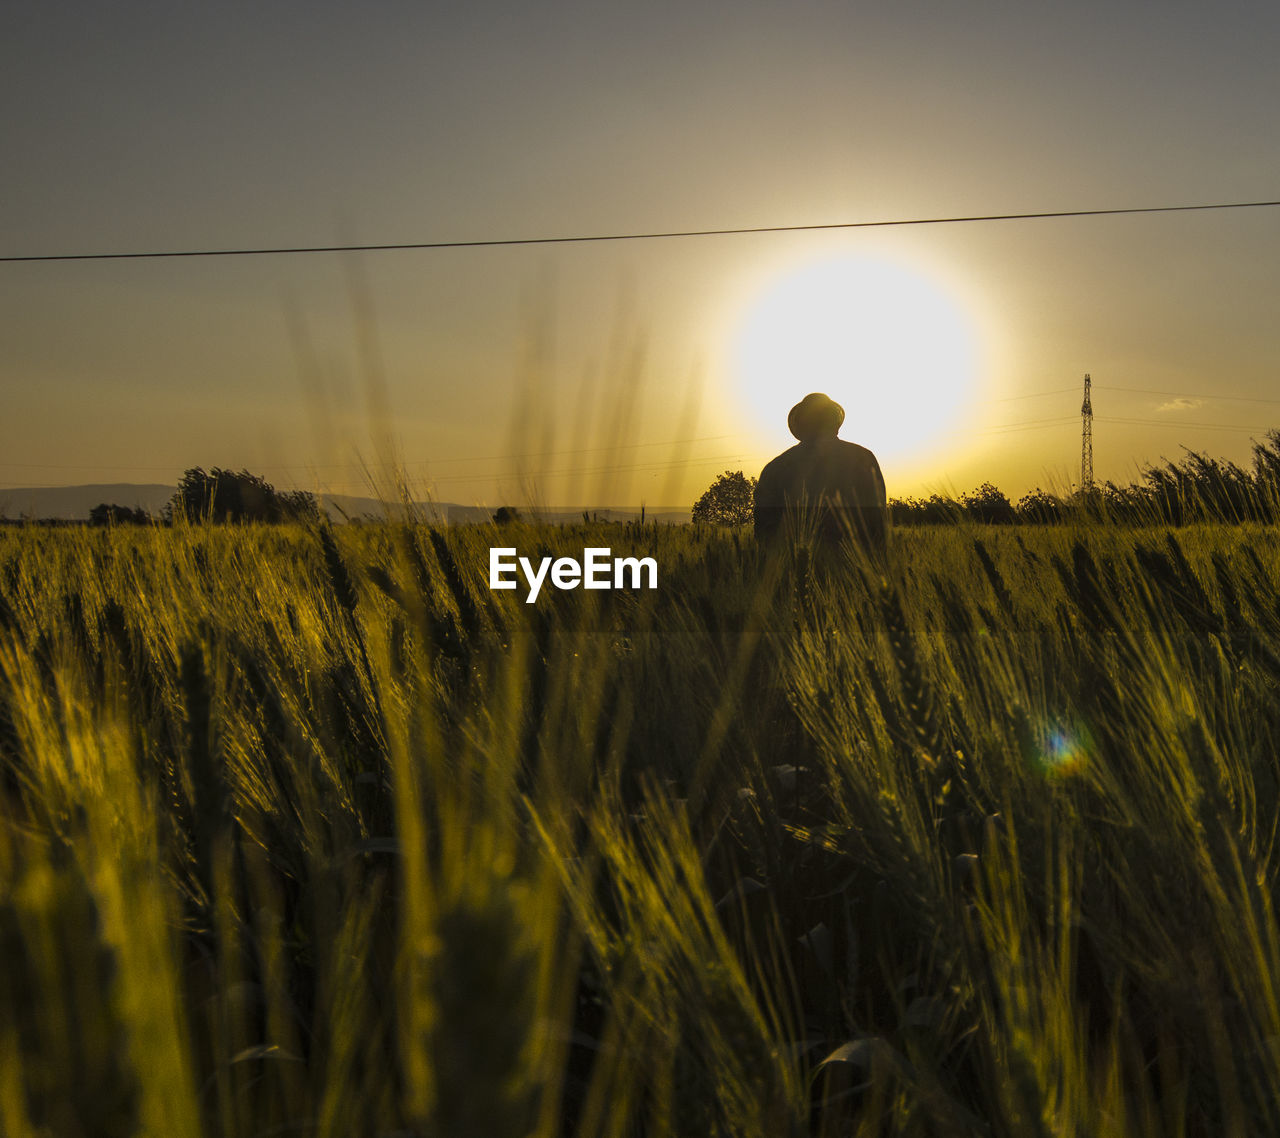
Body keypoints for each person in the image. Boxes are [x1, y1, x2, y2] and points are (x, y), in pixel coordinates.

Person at [753, 392, 887, 552]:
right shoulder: (863, 457)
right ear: (834, 422)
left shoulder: (776, 468)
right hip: (854, 568)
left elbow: (765, 534)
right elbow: (877, 524)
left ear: (800, 424)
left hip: (792, 571)